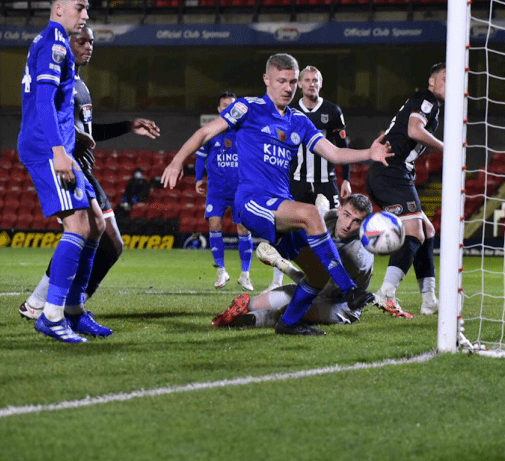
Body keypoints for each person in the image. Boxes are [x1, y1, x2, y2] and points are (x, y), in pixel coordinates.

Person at [161, 53, 393, 336]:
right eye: (281, 81)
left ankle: (289, 323)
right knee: (310, 212)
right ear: (267, 80)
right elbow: (205, 132)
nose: (288, 87)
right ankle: (349, 289)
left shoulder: (299, 121)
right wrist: (176, 161)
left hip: (280, 208)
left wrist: (369, 153)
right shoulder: (248, 107)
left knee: (317, 275)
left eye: (292, 82)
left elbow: (333, 152)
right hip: (252, 203)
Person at [18, 25, 161, 328]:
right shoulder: (58, 80)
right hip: (71, 167)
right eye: (81, 40)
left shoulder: (79, 84)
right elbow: (44, 116)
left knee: (102, 239)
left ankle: (45, 303)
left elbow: (89, 133)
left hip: (85, 167)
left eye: (92, 41)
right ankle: (64, 306)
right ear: (67, 43)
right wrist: (67, 143)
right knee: (90, 233)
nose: (89, 46)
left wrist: (128, 125)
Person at [17, 0, 103, 344]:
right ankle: (52, 315)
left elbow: (54, 104)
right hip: (47, 148)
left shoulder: (50, 42)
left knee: (95, 224)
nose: (85, 15)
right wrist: (58, 151)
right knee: (79, 225)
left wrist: (73, 136)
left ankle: (73, 311)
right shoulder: (54, 43)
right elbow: (42, 101)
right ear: (58, 9)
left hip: (59, 145)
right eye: (79, 7)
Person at [211, 194, 411, 329]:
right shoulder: (327, 217)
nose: (348, 224)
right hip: (316, 285)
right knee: (253, 304)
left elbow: (319, 286)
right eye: (347, 215)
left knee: (286, 312)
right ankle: (239, 314)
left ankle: (247, 322)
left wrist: (282, 264)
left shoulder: (357, 257)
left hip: (340, 305)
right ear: (339, 209)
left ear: (364, 224)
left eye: (357, 221)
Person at [365, 62, 445, 316]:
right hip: (391, 171)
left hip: (392, 172)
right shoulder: (426, 98)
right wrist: (448, 147)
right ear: (431, 81)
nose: (450, 82)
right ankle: (387, 292)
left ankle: (429, 300)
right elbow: (414, 130)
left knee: (427, 229)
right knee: (415, 232)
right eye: (445, 77)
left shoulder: (431, 106)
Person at [267, 65, 351, 291]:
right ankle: (277, 280)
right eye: (307, 80)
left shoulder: (333, 111)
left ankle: (335, 280)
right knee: (286, 230)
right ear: (300, 84)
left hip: (327, 180)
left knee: (334, 230)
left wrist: (346, 179)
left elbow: (343, 146)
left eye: (316, 80)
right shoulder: (291, 110)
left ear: (321, 84)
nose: (312, 83)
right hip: (297, 181)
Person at [194, 91, 254, 291]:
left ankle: (245, 275)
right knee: (214, 224)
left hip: (241, 189)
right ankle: (221, 271)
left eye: (231, 105)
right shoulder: (211, 131)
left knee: (243, 229)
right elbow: (201, 156)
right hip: (217, 189)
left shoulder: (245, 131)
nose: (228, 108)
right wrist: (198, 178)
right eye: (224, 105)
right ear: (219, 109)